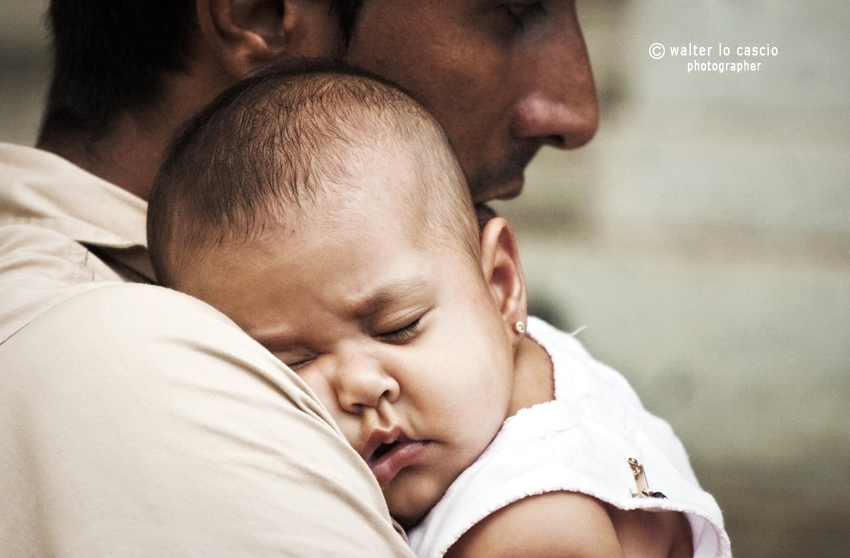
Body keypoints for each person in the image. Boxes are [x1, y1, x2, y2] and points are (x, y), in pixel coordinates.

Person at [0, 0, 697, 557]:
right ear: (264, 13)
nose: (577, 109)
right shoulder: (118, 352)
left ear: (500, 283)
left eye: (398, 324)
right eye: (514, 10)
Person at [146, 61, 731, 558]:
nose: (361, 386)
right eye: (291, 365)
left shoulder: (530, 527)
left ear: (501, 286)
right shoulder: (514, 375)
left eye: (398, 328)